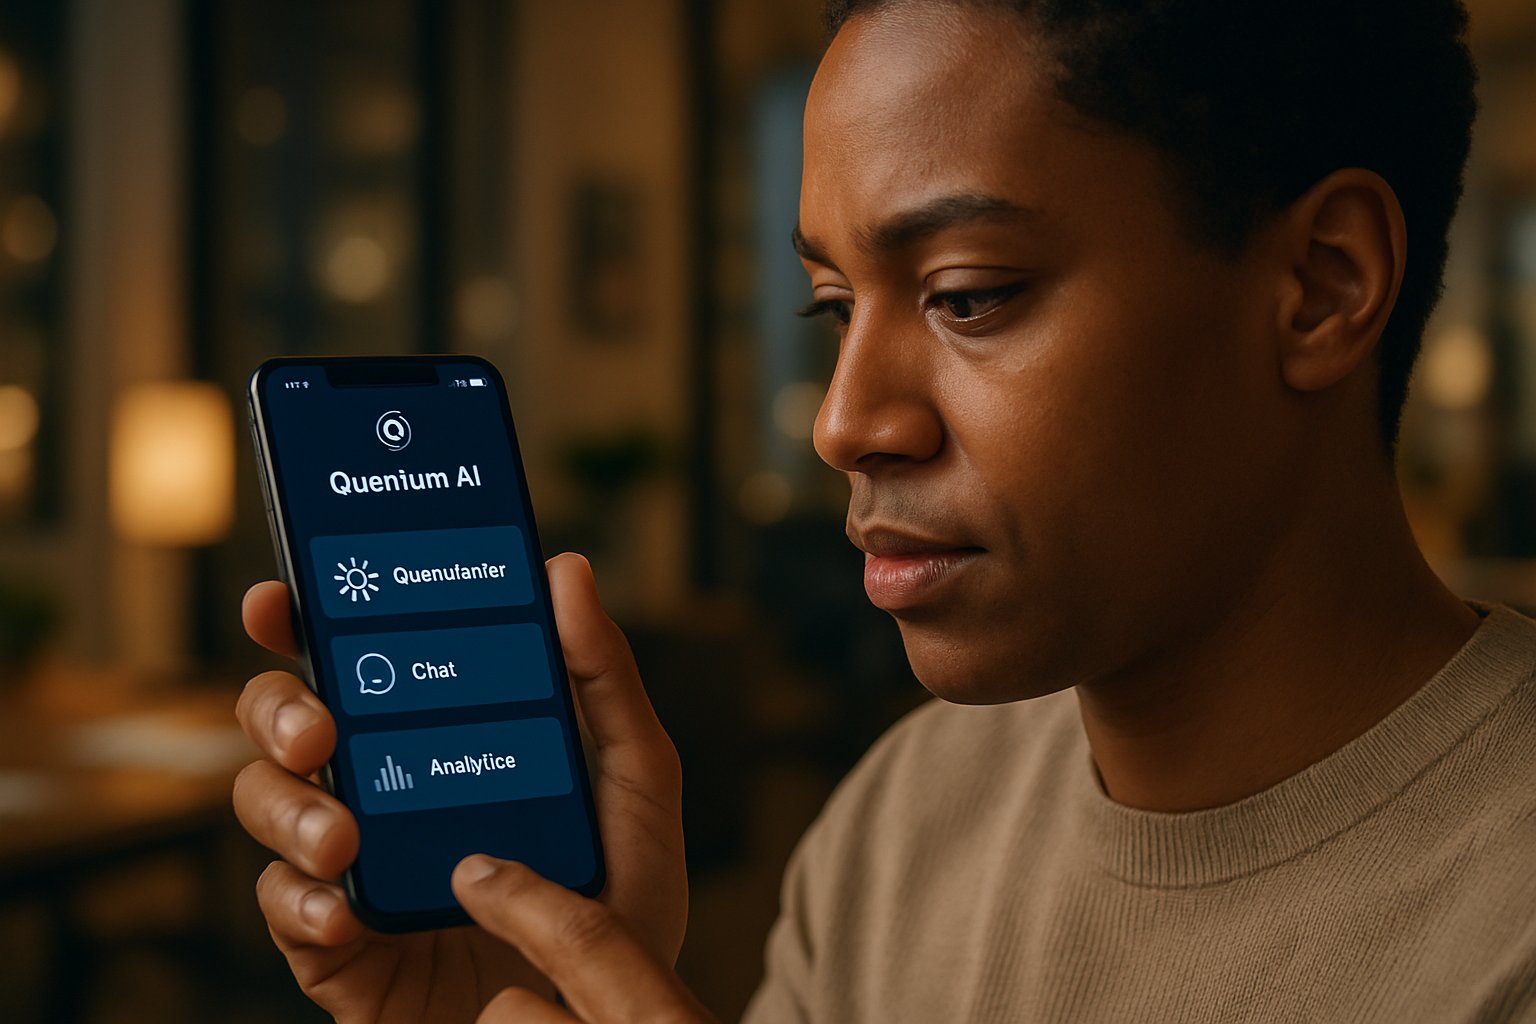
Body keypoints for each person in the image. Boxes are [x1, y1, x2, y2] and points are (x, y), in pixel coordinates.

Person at [232, 0, 1536, 1020]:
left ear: (1318, 285)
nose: (844, 422)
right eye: (834, 308)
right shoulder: (902, 820)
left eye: (967, 295)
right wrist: (539, 994)